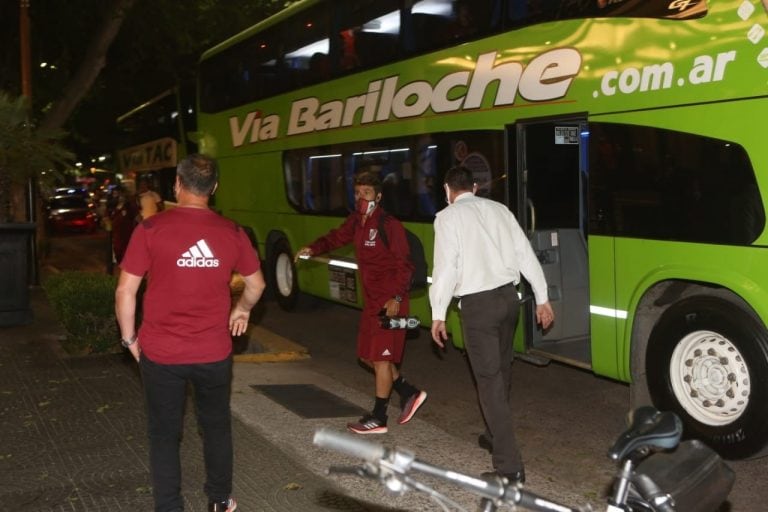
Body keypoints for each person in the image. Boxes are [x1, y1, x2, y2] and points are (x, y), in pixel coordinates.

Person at [115, 154, 266, 512]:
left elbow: (125, 292)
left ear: (177, 186)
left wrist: (129, 339)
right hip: (212, 352)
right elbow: (257, 284)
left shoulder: (151, 229)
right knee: (215, 427)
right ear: (214, 188)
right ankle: (218, 501)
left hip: (161, 353)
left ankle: (169, 507)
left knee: (164, 435)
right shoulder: (233, 232)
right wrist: (242, 308)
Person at [428, 165, 554, 484]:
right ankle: (493, 434)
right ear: (474, 186)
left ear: (447, 190)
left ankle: (509, 468)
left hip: (478, 307)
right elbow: (525, 254)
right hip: (508, 301)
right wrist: (542, 298)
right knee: (502, 370)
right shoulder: (499, 210)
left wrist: (438, 313)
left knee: (489, 382)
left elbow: (446, 268)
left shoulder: (447, 218)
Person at [294, 171, 427, 434]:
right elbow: (335, 237)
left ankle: (379, 417)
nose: (360, 198)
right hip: (372, 302)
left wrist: (397, 298)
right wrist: (313, 248)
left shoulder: (389, 225)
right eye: (357, 192)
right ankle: (409, 391)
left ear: (378, 196)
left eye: (366, 193)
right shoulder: (357, 222)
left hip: (392, 302)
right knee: (366, 356)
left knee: (380, 359)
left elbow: (405, 266)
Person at [109, 185, 137, 266]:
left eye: (118, 194)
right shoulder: (112, 206)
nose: (117, 196)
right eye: (114, 194)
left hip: (127, 234)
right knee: (118, 251)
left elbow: (137, 217)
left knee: (127, 251)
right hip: (117, 234)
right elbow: (107, 217)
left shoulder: (129, 206)